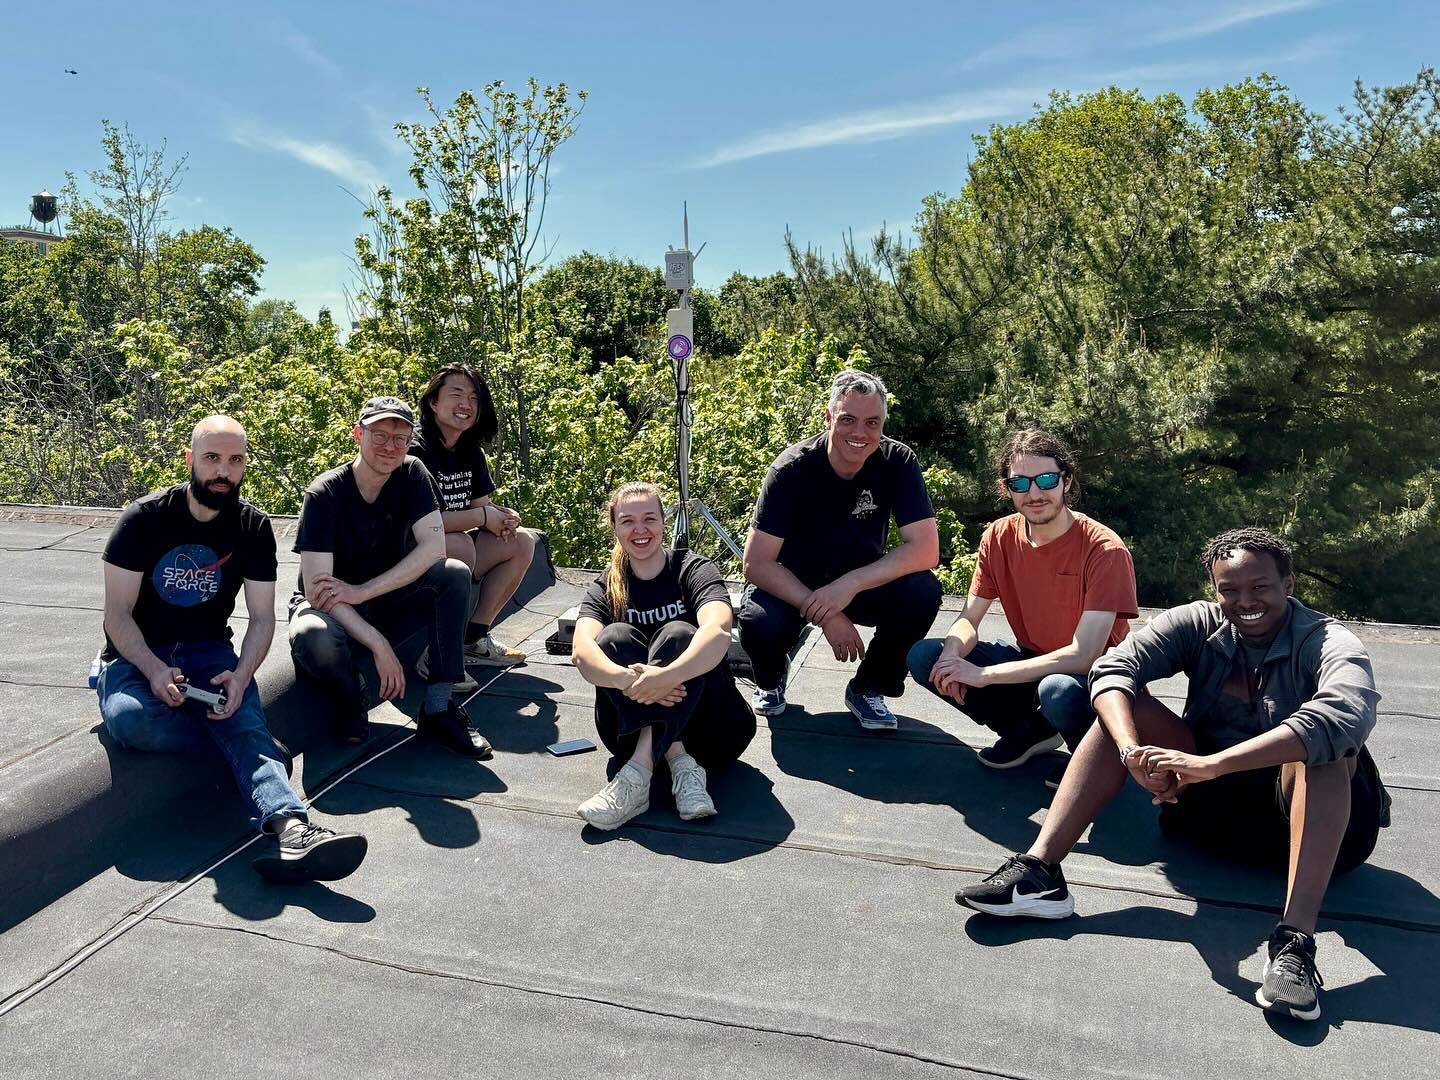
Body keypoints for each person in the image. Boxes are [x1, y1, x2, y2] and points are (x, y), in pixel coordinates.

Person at [955, 528, 1387, 1023]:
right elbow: (1113, 667)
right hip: (1210, 816)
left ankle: (1294, 945)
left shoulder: (1328, 640)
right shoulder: (1198, 622)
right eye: (1229, 590)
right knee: (1122, 707)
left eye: (1260, 587)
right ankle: (1040, 874)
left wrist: (1212, 765)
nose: (1245, 601)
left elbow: (1344, 715)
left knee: (1326, 750)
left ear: (1288, 584)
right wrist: (1131, 752)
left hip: (1320, 833)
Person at [98, 416, 367, 883]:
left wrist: (242, 675)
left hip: (208, 652)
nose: (223, 471)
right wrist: (154, 669)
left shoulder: (252, 527)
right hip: (137, 653)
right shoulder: (143, 519)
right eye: (212, 458)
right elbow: (117, 615)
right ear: (190, 460)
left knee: (238, 713)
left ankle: (294, 831)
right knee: (131, 720)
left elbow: (262, 618)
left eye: (235, 460)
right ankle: (258, 752)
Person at [907, 428, 1137, 781]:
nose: (1034, 493)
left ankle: (1095, 756)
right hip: (1033, 661)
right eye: (1020, 483)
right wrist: (952, 656)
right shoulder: (998, 536)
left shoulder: (1104, 549)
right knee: (927, 658)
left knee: (1057, 690)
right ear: (1007, 488)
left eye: (1046, 479)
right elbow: (969, 617)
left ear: (1066, 480)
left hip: (1097, 677)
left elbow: (1084, 655)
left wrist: (983, 675)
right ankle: (1031, 731)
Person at [287, 395, 492, 759]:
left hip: (380, 597)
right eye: (379, 435)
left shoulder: (412, 474)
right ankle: (351, 694)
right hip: (330, 608)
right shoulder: (324, 493)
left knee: (453, 574)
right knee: (311, 634)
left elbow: (434, 548)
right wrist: (379, 645)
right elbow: (319, 592)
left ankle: (439, 708)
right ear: (358, 434)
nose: (389, 446)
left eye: (400, 438)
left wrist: (363, 591)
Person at [740, 368, 942, 731]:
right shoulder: (790, 470)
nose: (860, 432)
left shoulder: (898, 461)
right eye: (848, 419)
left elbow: (926, 550)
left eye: (872, 422)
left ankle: (869, 687)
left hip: (858, 581)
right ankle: (770, 677)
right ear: (828, 417)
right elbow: (756, 564)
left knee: (922, 591)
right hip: (791, 583)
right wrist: (827, 614)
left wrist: (849, 585)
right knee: (759, 623)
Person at [571, 482, 757, 830]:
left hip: (715, 734)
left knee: (680, 634)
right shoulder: (606, 586)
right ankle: (679, 762)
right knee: (614, 637)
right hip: (625, 734)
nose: (640, 530)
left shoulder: (692, 568)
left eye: (649, 519)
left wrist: (667, 676)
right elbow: (582, 650)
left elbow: (718, 630)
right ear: (614, 527)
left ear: (663, 522)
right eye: (628, 521)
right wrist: (629, 680)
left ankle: (638, 776)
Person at [408, 364, 538, 667]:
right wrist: (483, 517)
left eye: (474, 398)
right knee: (461, 545)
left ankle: (473, 639)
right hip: (404, 555)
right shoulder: (415, 450)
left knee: (522, 541)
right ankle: (439, 653)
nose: (466, 404)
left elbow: (480, 507)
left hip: (446, 551)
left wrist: (503, 517)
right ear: (433, 402)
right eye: (456, 394)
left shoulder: (470, 451)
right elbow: (422, 523)